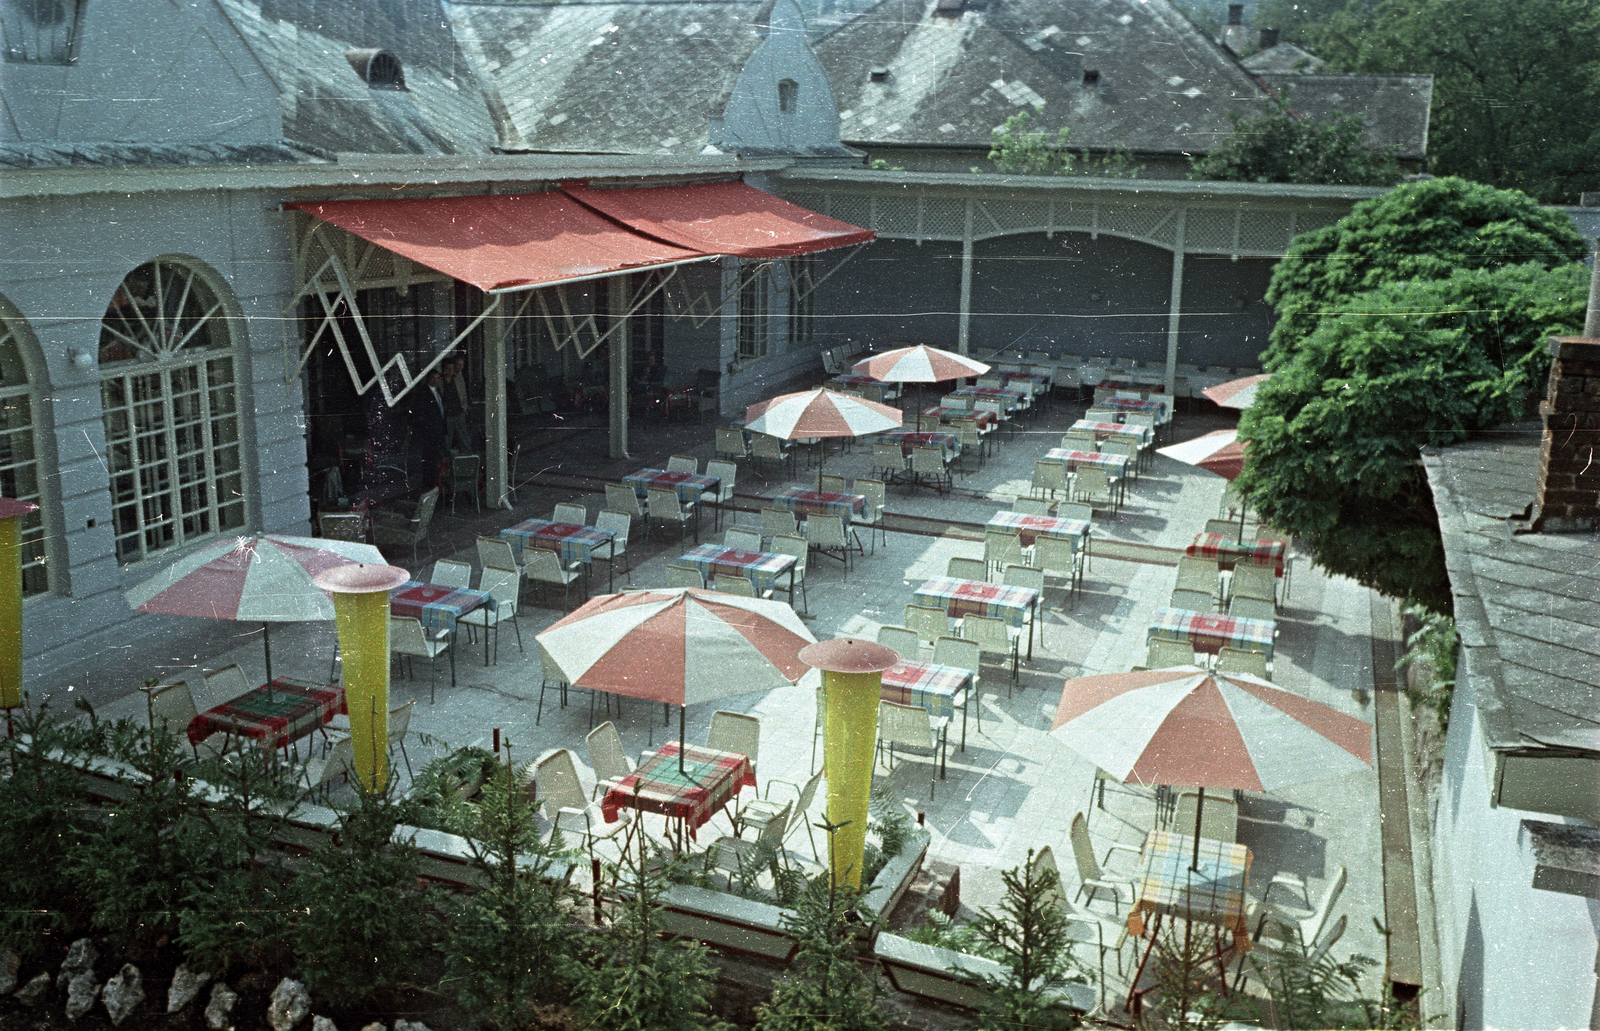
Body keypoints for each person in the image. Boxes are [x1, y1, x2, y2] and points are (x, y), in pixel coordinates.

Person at [410, 368, 448, 488]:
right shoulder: (423, 393)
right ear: (428, 379)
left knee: (437, 459)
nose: (435, 381)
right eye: (433, 378)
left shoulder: (438, 391)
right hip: (429, 434)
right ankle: (429, 484)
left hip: (438, 432)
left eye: (438, 378)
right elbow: (420, 415)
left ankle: (435, 483)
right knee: (429, 460)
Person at [441, 355, 474, 452]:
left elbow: (463, 393)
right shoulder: (440, 381)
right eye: (447, 369)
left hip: (459, 412)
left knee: (464, 437)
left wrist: (465, 406)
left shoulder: (458, 378)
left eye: (451, 369)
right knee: (447, 439)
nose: (449, 371)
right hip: (447, 415)